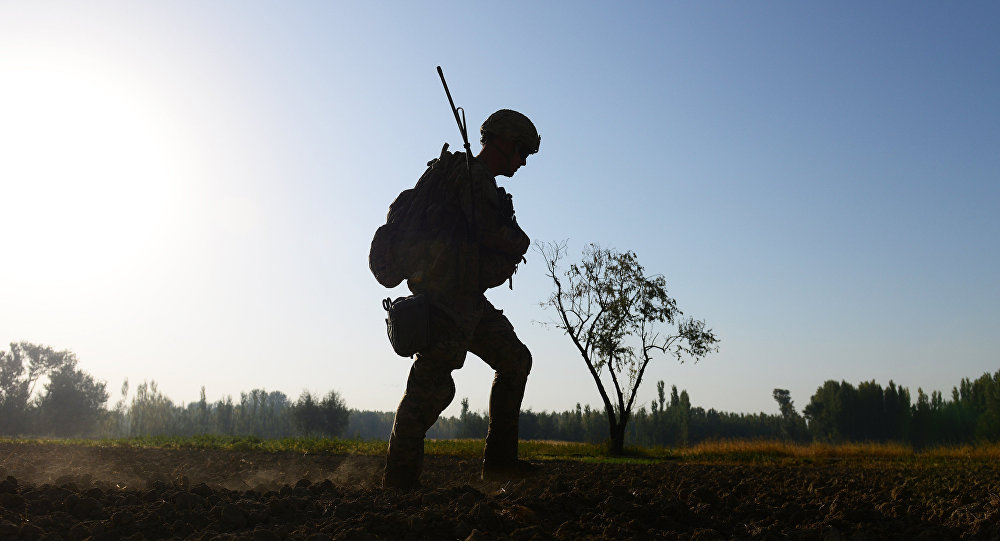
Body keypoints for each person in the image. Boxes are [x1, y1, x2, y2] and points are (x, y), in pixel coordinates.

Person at [382, 109, 540, 489]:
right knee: (429, 390)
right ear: (502, 141)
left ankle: (499, 467)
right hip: (446, 303)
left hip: (468, 300)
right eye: (520, 151)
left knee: (515, 360)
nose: (521, 161)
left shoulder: (468, 177)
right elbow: (489, 234)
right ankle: (398, 487)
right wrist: (517, 239)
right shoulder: (469, 180)